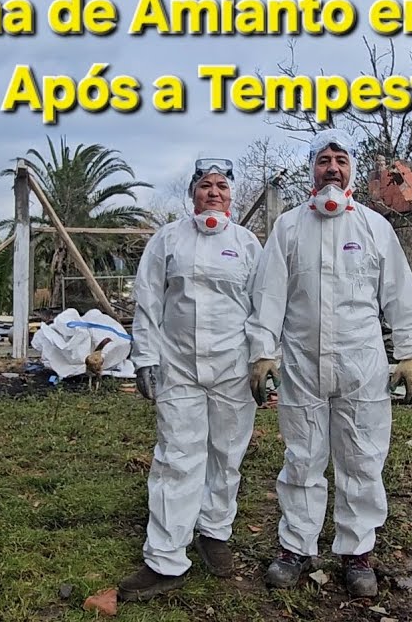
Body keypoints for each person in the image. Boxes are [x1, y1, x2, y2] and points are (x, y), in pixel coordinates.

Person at [246, 129, 412, 597]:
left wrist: (407, 353)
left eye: (340, 159)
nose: (332, 167)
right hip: (303, 364)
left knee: (363, 458)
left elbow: (399, 295)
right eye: (323, 160)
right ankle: (295, 548)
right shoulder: (288, 228)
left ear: (351, 170)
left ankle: (357, 552)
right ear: (313, 169)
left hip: (361, 366)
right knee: (302, 458)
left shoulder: (373, 228)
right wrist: (264, 351)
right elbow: (268, 296)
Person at [117, 157, 264, 602]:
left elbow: (264, 308)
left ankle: (214, 533)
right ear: (191, 194)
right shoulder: (167, 241)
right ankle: (164, 559)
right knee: (176, 457)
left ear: (231, 195)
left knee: (226, 453)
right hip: (178, 367)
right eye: (204, 185)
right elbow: (148, 302)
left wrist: (263, 359)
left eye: (221, 185)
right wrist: (145, 358)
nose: (213, 192)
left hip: (233, 370)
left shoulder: (248, 245)